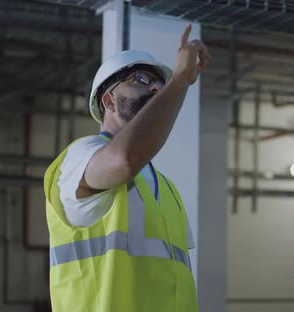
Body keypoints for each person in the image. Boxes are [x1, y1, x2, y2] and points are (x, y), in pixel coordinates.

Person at [44, 24, 211, 312]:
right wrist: (179, 81)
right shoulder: (79, 157)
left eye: (159, 83)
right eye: (141, 79)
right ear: (108, 100)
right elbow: (125, 160)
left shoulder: (165, 188)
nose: (155, 88)